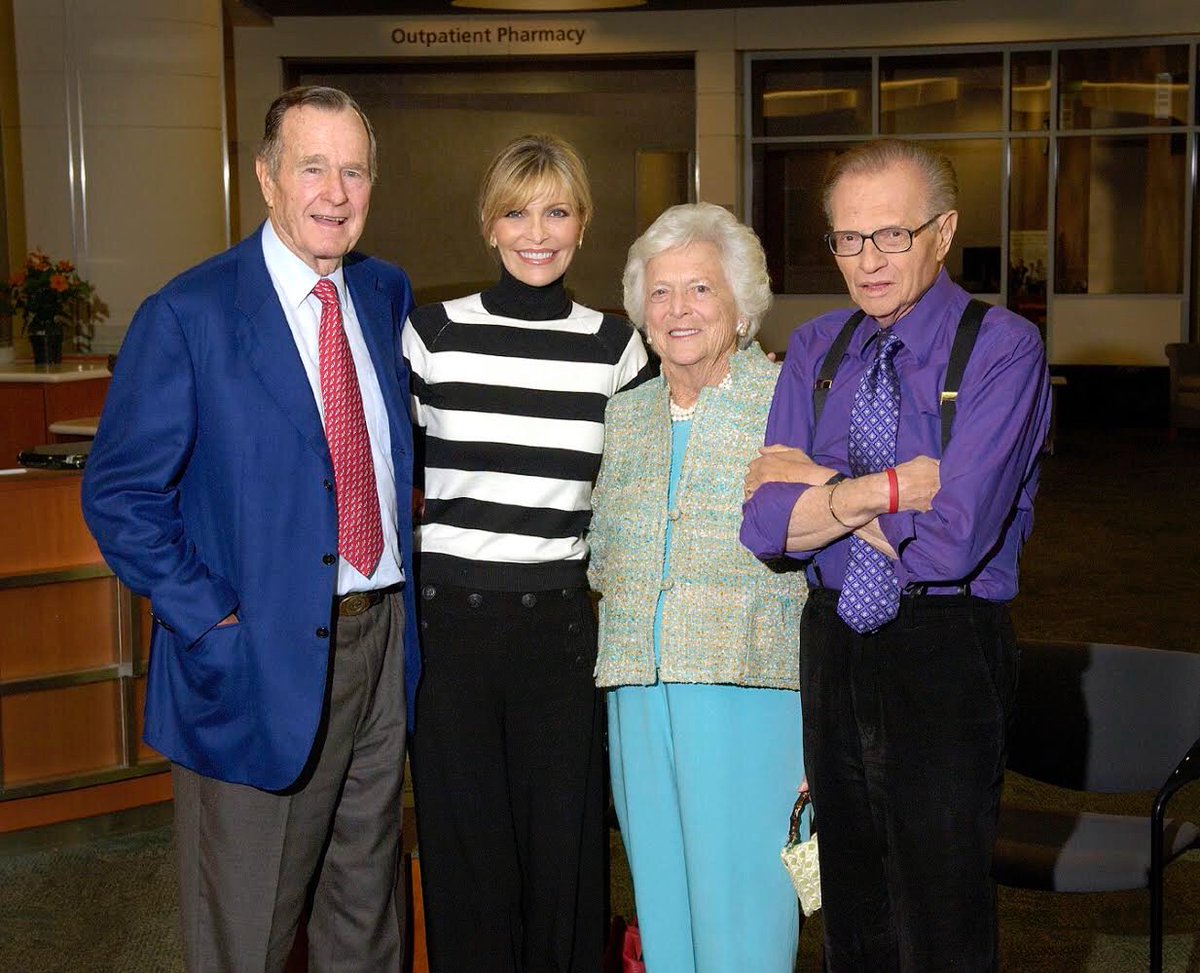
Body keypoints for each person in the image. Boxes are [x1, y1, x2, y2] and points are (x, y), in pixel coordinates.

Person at [82, 85, 418, 972]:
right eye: (313, 168)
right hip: (251, 663)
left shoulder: (381, 292)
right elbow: (120, 494)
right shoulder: (188, 314)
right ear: (266, 177)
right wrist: (211, 618)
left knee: (367, 915)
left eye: (354, 171)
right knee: (248, 934)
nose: (335, 192)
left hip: (380, 644)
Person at [741, 138, 1052, 971]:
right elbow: (765, 525)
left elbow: (951, 541)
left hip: (945, 648)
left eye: (891, 235)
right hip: (833, 639)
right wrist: (883, 490)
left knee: (941, 914)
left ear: (942, 233)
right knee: (852, 913)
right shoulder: (816, 348)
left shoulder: (1003, 348)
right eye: (848, 238)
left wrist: (819, 486)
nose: (868, 261)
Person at [402, 133, 649, 973]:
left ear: (583, 223)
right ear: (488, 223)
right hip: (450, 634)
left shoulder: (617, 348)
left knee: (563, 859)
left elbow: (641, 489)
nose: (536, 233)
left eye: (556, 212)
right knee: (466, 856)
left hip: (559, 633)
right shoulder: (432, 334)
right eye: (516, 213)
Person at [588, 202, 807, 972]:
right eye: (661, 291)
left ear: (742, 306)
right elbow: (603, 556)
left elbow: (828, 570)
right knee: (665, 917)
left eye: (701, 289)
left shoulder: (787, 404)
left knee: (743, 922)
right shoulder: (626, 415)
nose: (679, 308)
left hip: (748, 700)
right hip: (637, 696)